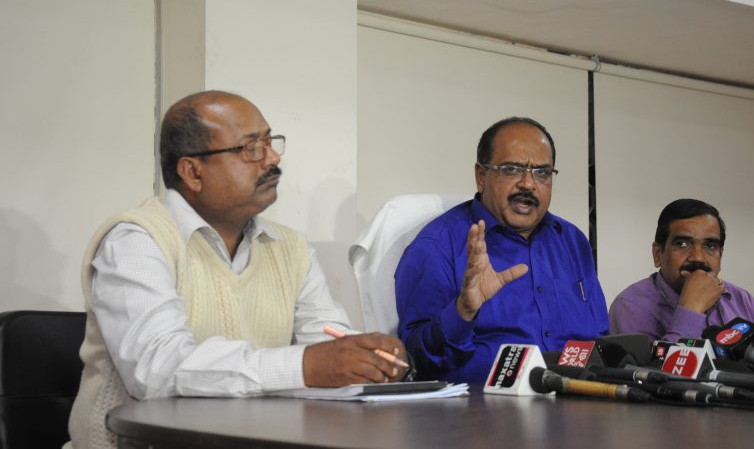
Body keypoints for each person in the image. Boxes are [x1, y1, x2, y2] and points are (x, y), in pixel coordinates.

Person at [67, 91, 406, 449]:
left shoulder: (291, 248)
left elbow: (325, 341)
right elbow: (157, 370)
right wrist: (305, 366)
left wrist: (367, 360)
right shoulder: (137, 240)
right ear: (192, 172)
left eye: (270, 142)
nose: (272, 158)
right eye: (250, 148)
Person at [395, 117, 609, 383]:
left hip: (581, 401)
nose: (529, 184)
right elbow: (413, 361)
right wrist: (462, 312)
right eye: (512, 169)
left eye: (542, 172)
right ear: (481, 176)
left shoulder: (572, 241)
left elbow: (599, 336)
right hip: (482, 412)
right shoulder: (438, 246)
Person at [609, 198, 754, 341]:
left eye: (710, 246)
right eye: (682, 244)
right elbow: (653, 372)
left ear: (721, 255)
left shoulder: (742, 301)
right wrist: (691, 310)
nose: (698, 257)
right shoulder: (630, 307)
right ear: (658, 254)